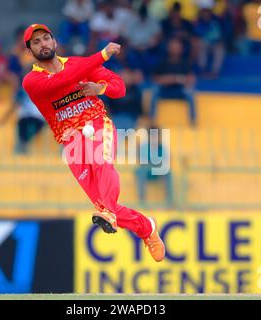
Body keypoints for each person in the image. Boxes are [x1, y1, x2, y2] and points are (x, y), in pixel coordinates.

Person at [22, 23, 165, 262]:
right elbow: (62, 80)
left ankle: (116, 216)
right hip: (71, 143)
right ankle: (147, 228)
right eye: (36, 42)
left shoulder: (79, 64)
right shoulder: (32, 81)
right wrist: (101, 56)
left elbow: (119, 88)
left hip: (97, 124)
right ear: (29, 51)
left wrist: (100, 88)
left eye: (46, 38)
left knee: (103, 165)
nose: (43, 44)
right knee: (104, 205)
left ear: (54, 42)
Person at [150, 37, 197, 125]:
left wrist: (183, 81)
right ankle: (152, 121)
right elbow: (155, 79)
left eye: (177, 46)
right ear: (168, 47)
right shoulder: (162, 61)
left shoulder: (185, 62)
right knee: (154, 90)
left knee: (190, 92)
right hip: (164, 90)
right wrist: (175, 78)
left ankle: (193, 121)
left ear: (181, 49)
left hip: (180, 91)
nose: (175, 48)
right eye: (173, 45)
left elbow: (191, 79)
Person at [0, 86, 46, 154]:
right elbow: (14, 105)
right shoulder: (22, 91)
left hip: (34, 117)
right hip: (28, 116)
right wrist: (3, 120)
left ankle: (23, 144)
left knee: (25, 128)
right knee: (24, 127)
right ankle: (23, 144)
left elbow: (14, 106)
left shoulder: (40, 90)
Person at [136, 127, 173, 208]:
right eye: (152, 136)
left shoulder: (162, 148)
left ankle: (169, 201)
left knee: (168, 172)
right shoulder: (144, 147)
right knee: (141, 171)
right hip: (147, 172)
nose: (154, 138)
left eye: (156, 136)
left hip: (157, 172)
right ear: (149, 137)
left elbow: (166, 162)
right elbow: (142, 162)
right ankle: (142, 200)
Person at [193, 3, 225, 78]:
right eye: (204, 11)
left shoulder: (217, 20)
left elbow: (223, 33)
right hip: (203, 44)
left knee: (220, 48)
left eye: (207, 11)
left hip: (215, 44)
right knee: (200, 44)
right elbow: (195, 35)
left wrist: (221, 40)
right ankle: (203, 70)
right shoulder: (197, 22)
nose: (206, 13)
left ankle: (214, 72)